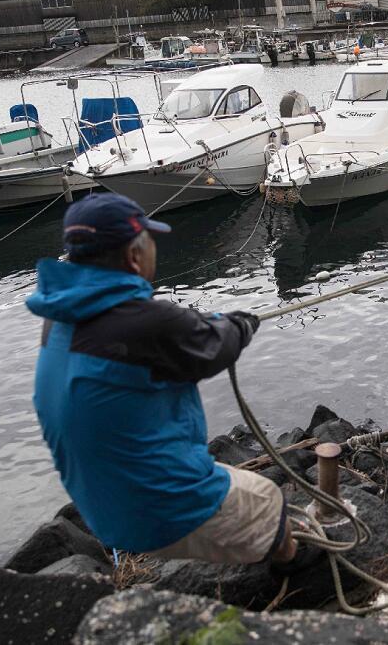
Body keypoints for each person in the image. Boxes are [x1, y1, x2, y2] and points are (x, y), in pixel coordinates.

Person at [26, 193, 319, 573]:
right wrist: (241, 323)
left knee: (235, 482)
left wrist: (205, 324)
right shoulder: (145, 322)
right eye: (149, 241)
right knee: (268, 501)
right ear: (134, 255)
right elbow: (217, 344)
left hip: (102, 510)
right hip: (155, 515)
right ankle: (297, 573)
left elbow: (169, 336)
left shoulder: (59, 320)